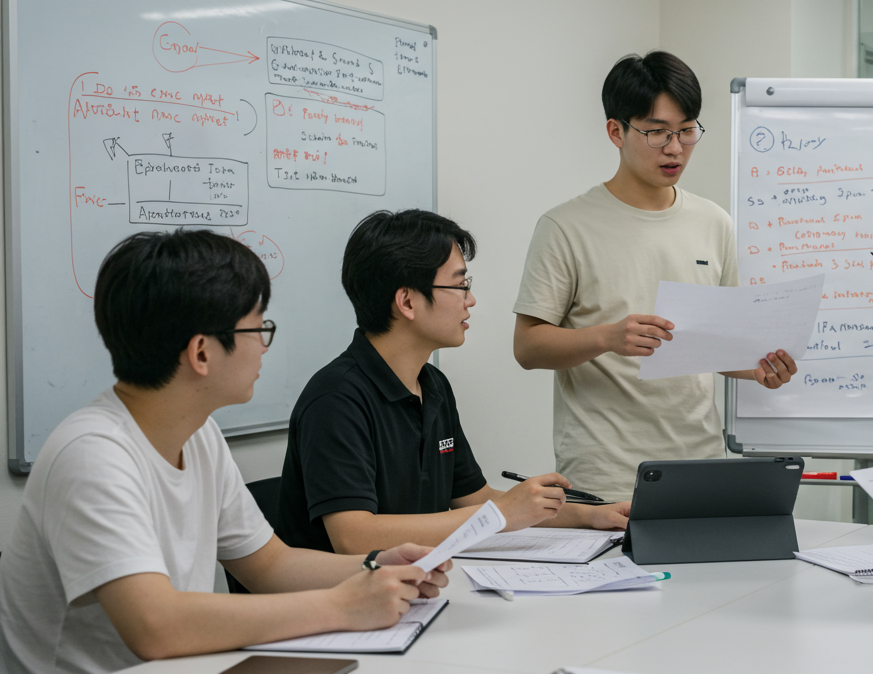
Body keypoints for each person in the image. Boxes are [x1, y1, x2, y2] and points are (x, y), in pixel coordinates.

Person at [0, 230, 450, 674]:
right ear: (201, 352)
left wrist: (375, 564)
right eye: (257, 328)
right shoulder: (92, 455)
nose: (262, 345)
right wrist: (341, 606)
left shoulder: (200, 435)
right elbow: (154, 626)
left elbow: (270, 566)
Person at [511, 51, 797, 502]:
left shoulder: (714, 222)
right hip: (605, 476)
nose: (675, 148)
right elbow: (527, 348)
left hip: (699, 466)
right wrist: (606, 338)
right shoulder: (566, 226)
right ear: (616, 131)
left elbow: (714, 345)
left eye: (687, 131)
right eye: (657, 132)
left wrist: (759, 370)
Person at [277, 209, 630, 556]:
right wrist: (500, 514)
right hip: (337, 603)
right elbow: (354, 537)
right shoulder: (336, 399)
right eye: (460, 285)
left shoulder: (432, 385)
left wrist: (589, 515)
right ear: (407, 301)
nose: (470, 300)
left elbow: (476, 498)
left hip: (413, 586)